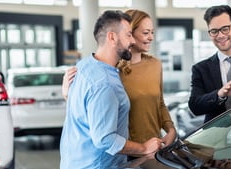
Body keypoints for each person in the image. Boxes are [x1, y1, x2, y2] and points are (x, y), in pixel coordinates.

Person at [59, 10, 162, 169]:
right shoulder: (105, 83)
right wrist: (144, 148)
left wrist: (68, 97)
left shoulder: (84, 66)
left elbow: (86, 113)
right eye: (129, 35)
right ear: (112, 37)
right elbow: (104, 139)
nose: (132, 40)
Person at [63, 9, 176, 150]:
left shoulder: (155, 65)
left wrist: (171, 129)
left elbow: (159, 103)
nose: (151, 37)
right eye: (145, 33)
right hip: (126, 150)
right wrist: (69, 96)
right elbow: (93, 114)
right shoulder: (110, 72)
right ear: (130, 33)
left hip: (155, 146)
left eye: (152, 32)